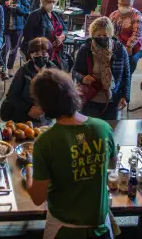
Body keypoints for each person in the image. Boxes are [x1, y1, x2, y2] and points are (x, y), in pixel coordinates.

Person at [25, 68, 116, 239]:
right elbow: (111, 166)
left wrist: (29, 169)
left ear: (43, 104)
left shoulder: (45, 142)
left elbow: (38, 198)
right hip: (101, 226)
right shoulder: (103, 127)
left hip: (64, 229)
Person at [73, 17, 130, 120]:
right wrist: (83, 78)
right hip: (91, 99)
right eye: (98, 35)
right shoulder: (85, 49)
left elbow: (126, 75)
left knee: (110, 128)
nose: (102, 38)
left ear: (110, 34)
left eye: (105, 35)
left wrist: (125, 96)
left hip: (113, 98)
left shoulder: (120, 50)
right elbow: (75, 72)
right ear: (93, 35)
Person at [0, 37, 56, 123]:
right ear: (30, 54)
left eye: (44, 53)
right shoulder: (23, 71)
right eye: (36, 53)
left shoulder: (55, 71)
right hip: (23, 116)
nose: (40, 56)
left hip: (46, 117)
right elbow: (12, 96)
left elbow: (59, 96)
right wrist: (29, 108)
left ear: (49, 54)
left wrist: (43, 109)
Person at [22, 0, 67, 68]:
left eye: (53, 2)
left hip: (57, 52)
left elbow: (65, 29)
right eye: (49, 2)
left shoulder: (55, 14)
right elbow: (28, 36)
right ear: (43, 2)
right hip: (42, 52)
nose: (52, 4)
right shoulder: (35, 15)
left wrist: (62, 37)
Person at [0, 0, 30, 77]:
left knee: (14, 48)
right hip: (6, 27)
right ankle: (3, 69)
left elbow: (27, 10)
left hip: (18, 27)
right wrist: (5, 6)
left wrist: (17, 6)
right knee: (5, 47)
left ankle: (10, 68)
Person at [109, 0, 142, 75]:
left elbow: (137, 33)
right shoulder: (113, 15)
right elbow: (110, 32)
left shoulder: (136, 14)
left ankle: (127, 80)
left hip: (135, 45)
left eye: (127, 5)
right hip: (117, 45)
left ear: (131, 5)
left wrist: (129, 46)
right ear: (118, 4)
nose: (124, 7)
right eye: (121, 4)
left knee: (130, 62)